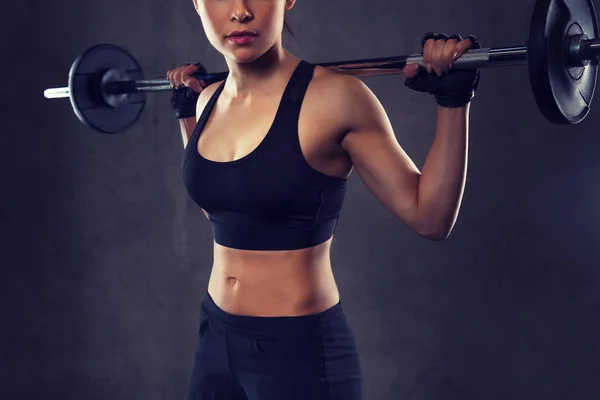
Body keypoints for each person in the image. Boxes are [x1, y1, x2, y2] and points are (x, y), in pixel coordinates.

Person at [166, 1, 480, 399]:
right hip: (215, 338)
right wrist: (186, 116)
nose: (240, 11)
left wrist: (453, 101)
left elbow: (430, 217)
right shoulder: (206, 99)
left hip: (296, 351)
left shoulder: (336, 98)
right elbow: (224, 206)